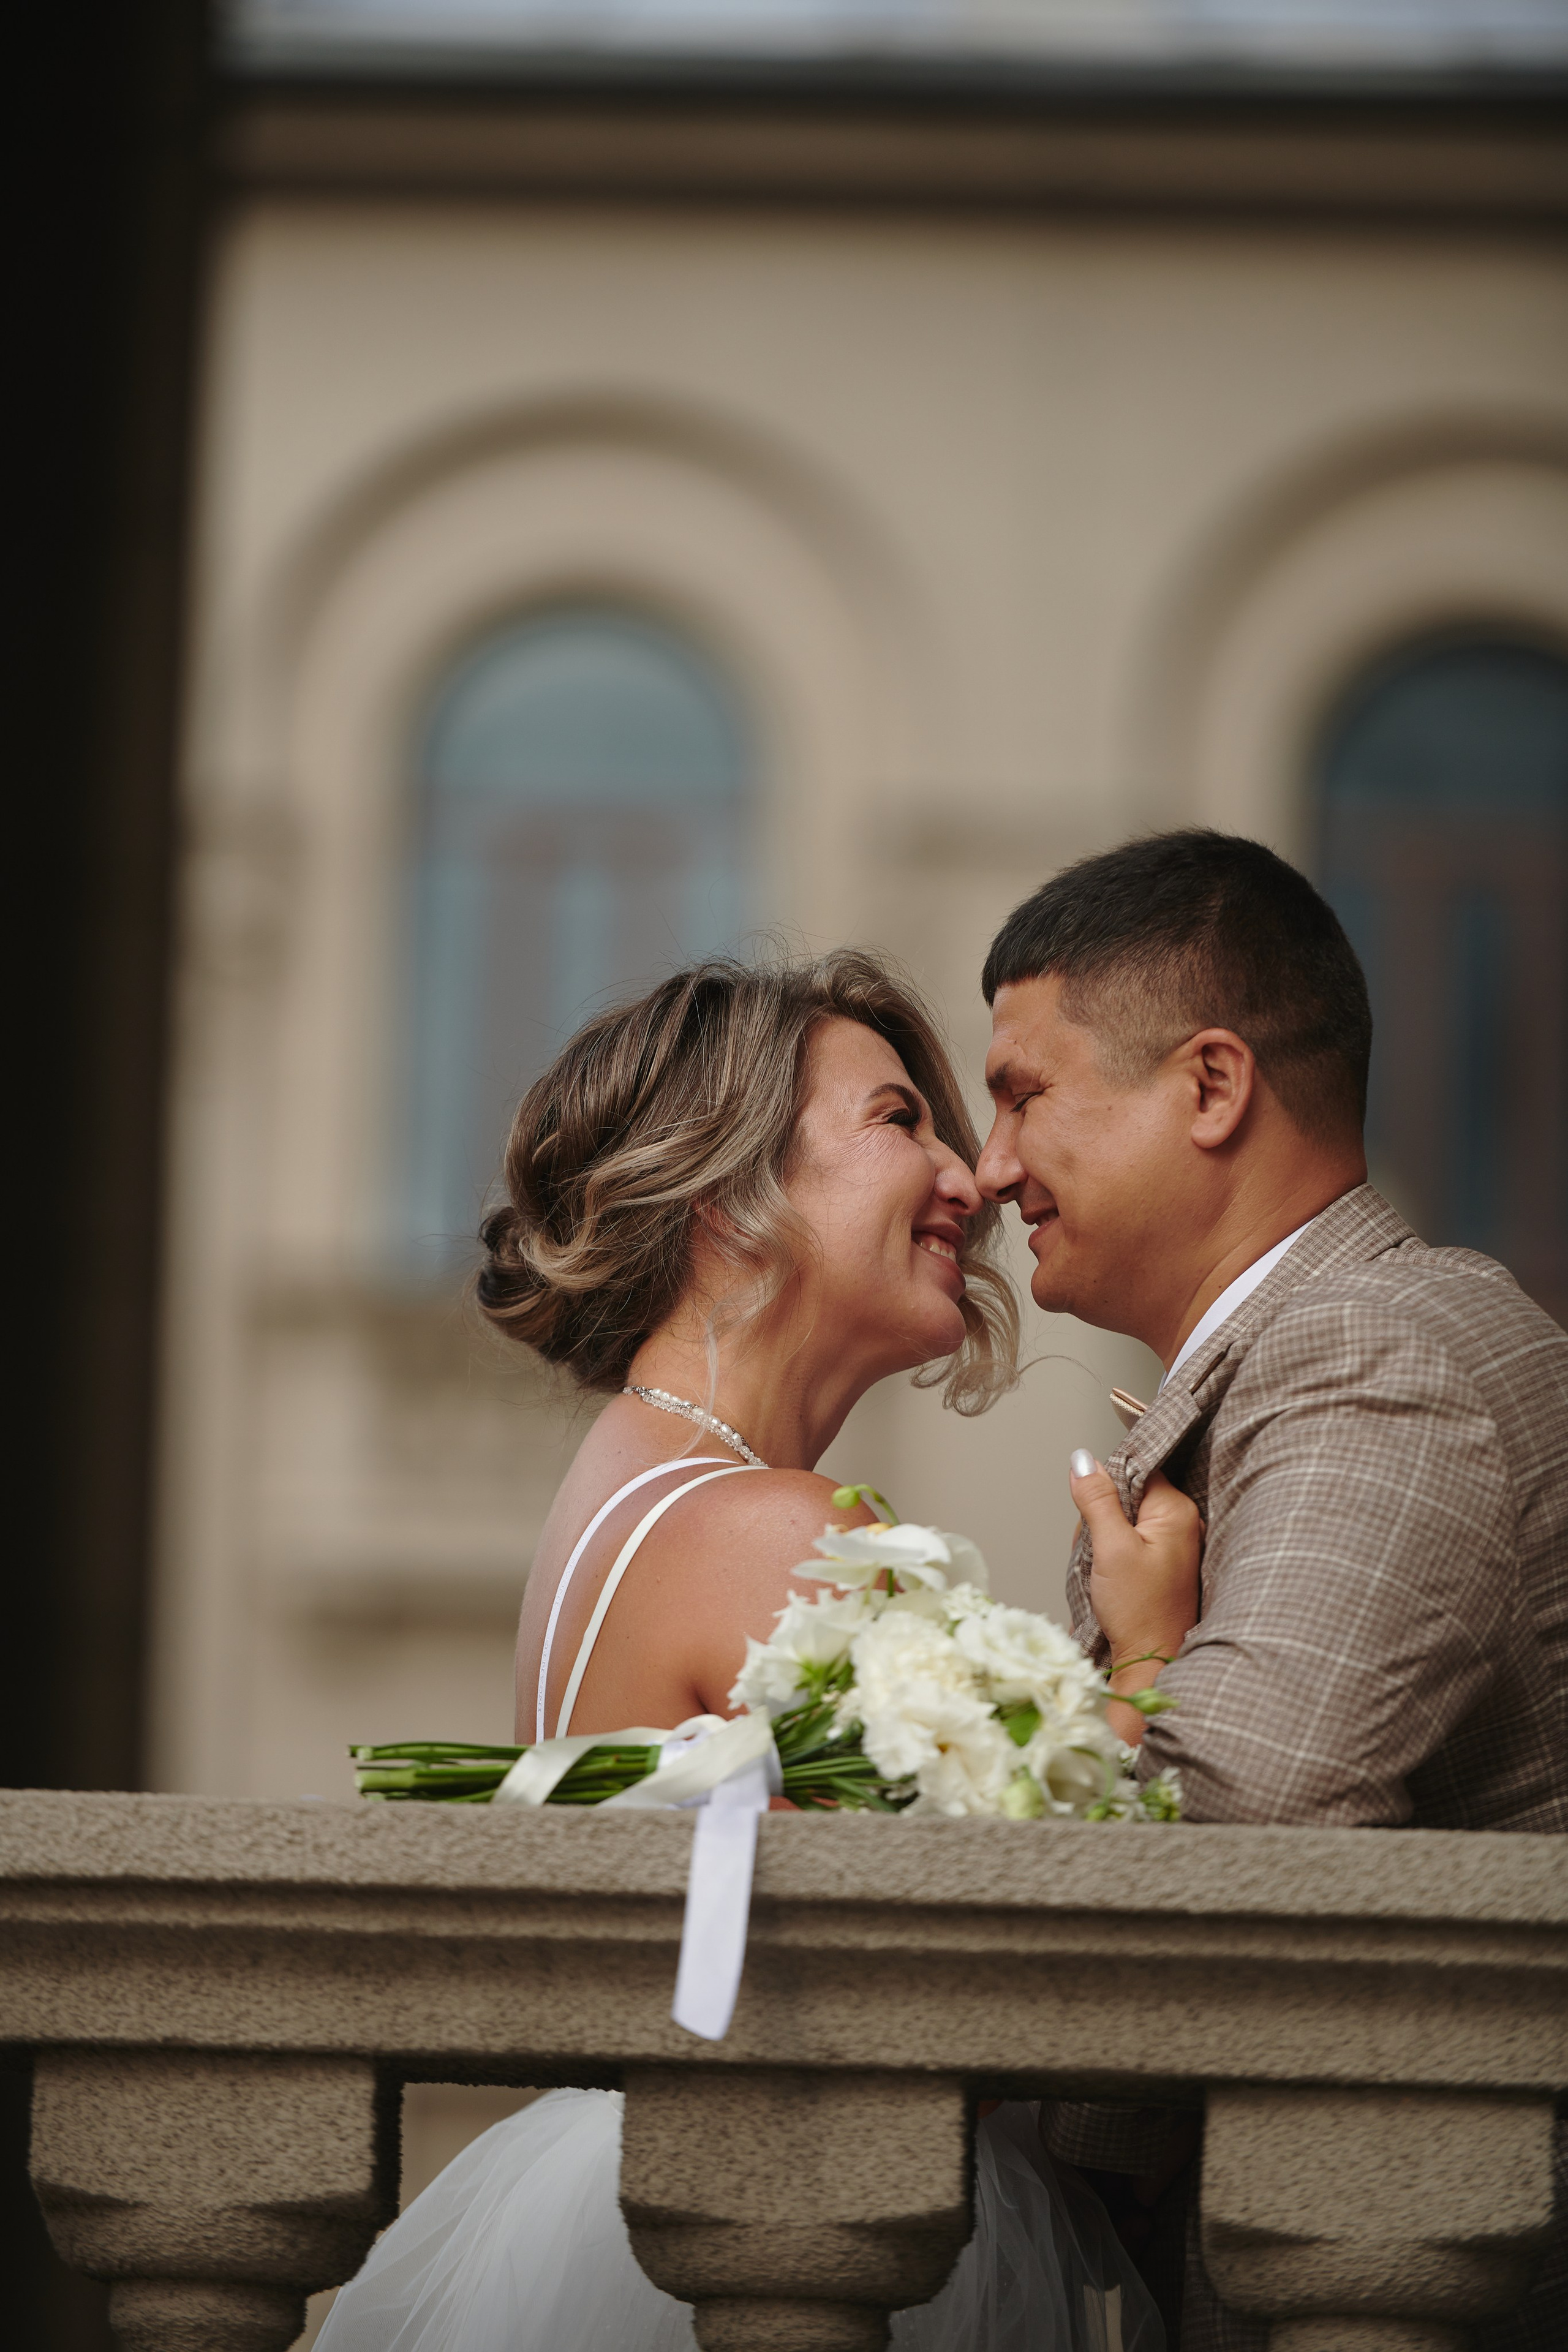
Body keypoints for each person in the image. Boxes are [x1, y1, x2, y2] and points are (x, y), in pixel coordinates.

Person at [317, 949, 1181, 2352]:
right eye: (901, 1122)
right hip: (776, 2220)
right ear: (731, 1194)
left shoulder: (630, 1486)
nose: (966, 1178)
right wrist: (1146, 1658)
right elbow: (1046, 1932)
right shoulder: (762, 1527)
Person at [974, 827, 1568, 2351]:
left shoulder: (1375, 1344)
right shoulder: (1307, 1351)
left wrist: (1150, 1655)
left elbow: (1249, 1804)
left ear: (1212, 1086)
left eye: (1022, 1097)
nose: (987, 1172)